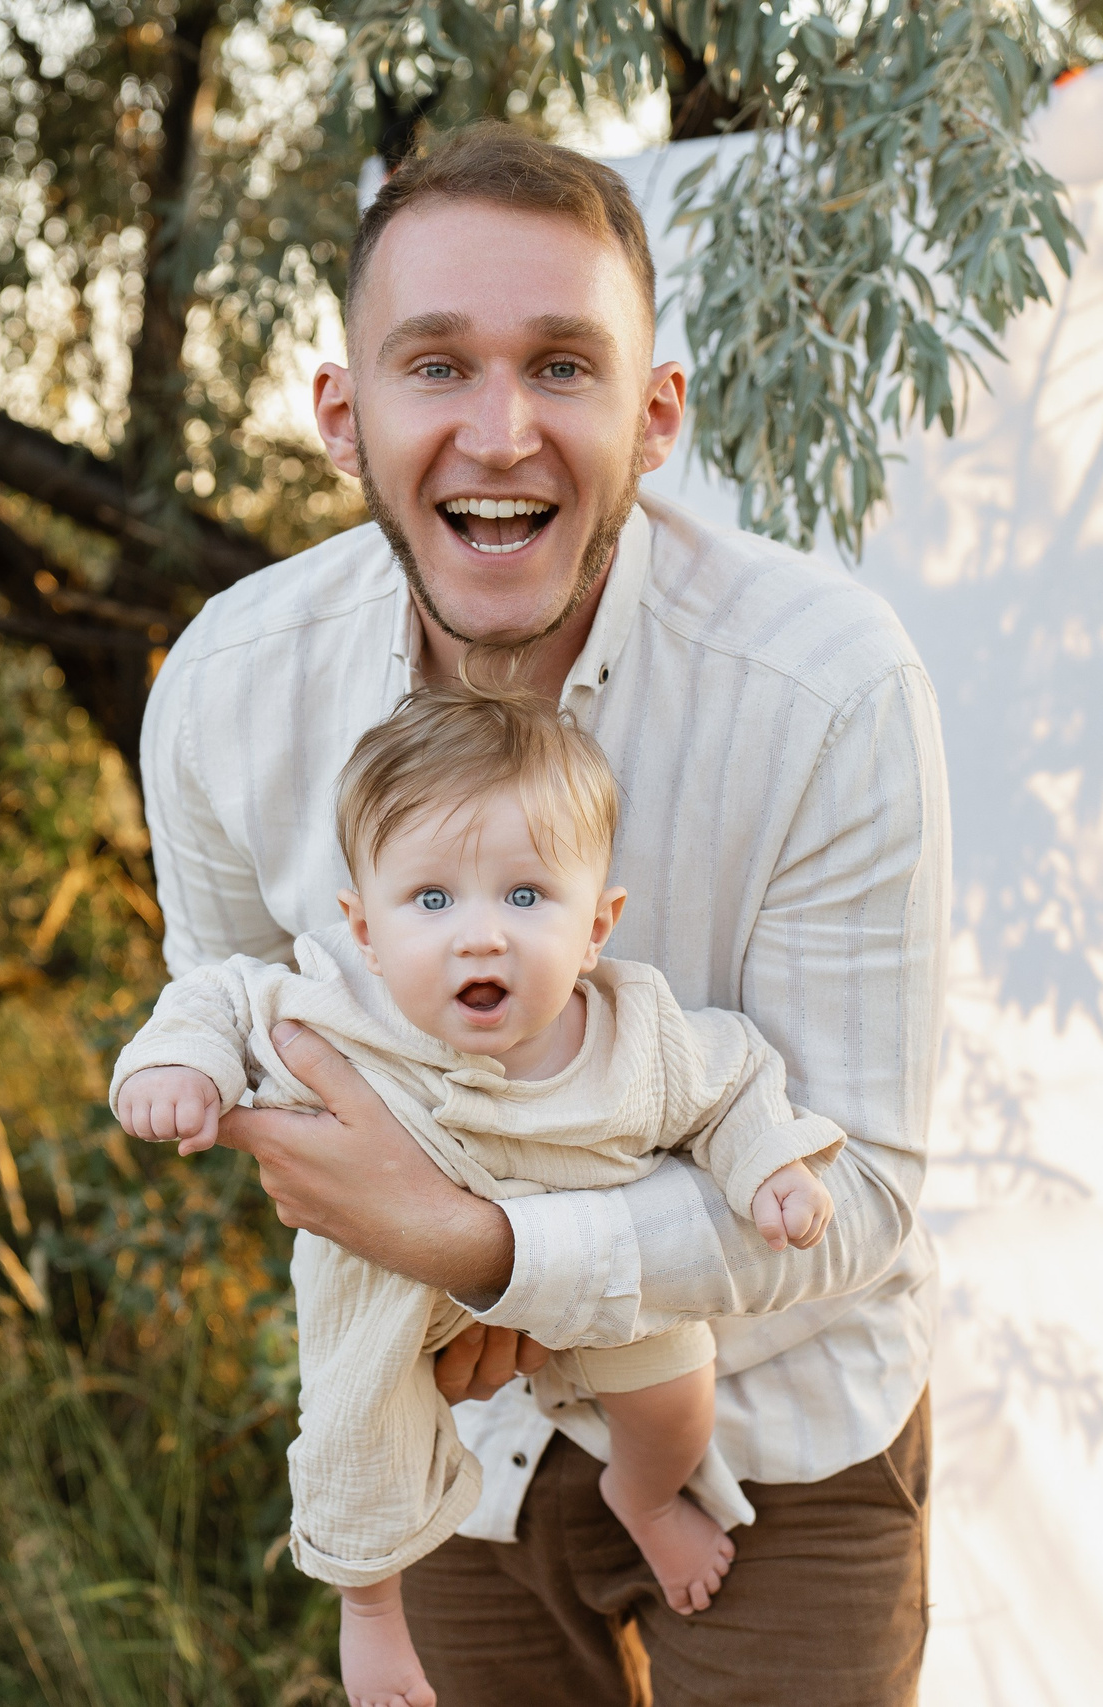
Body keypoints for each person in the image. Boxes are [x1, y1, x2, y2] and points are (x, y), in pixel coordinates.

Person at [141, 121, 951, 1706]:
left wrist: (493, 1242)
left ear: (655, 417)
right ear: (342, 411)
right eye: (434, 365)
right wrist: (440, 1291)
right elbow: (255, 1047)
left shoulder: (829, 692)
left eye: (564, 366)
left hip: (788, 1431)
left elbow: (860, 1191)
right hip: (450, 1433)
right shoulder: (228, 695)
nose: (499, 431)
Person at [112, 680, 843, 1707]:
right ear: (361, 928)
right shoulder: (336, 1005)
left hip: (604, 1265)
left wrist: (769, 1165)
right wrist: (177, 1068)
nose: (480, 935)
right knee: (357, 1433)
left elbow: (733, 1082)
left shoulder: (636, 1035)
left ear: (598, 924)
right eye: (432, 900)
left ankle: (639, 1496)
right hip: (390, 1294)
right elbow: (221, 996)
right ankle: (368, 1614)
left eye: (526, 896)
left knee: (676, 1404)